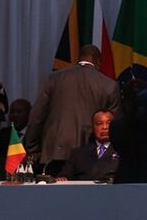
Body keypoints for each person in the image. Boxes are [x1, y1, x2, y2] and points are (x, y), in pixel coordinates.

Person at [24, 45, 120, 176]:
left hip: (54, 152)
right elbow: (114, 125)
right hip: (89, 157)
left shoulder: (54, 78)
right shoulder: (109, 85)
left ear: (78, 59)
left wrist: (32, 148)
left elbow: (37, 115)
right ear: (98, 62)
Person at [56, 110, 118, 182]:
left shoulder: (123, 151)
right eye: (99, 123)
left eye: (109, 123)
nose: (104, 127)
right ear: (93, 127)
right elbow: (65, 175)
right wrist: (62, 178)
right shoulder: (78, 153)